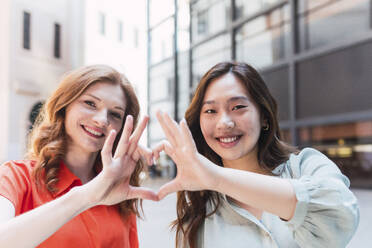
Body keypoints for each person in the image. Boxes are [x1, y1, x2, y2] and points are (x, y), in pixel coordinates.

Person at [154, 62, 359, 248]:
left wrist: (216, 178)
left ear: (264, 116)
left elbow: (341, 213)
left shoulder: (306, 166)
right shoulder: (199, 216)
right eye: (210, 111)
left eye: (238, 107)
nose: (224, 122)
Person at [0, 65, 157, 247]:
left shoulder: (118, 188)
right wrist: (86, 196)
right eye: (90, 103)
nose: (102, 120)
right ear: (64, 106)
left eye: (115, 114)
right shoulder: (16, 177)